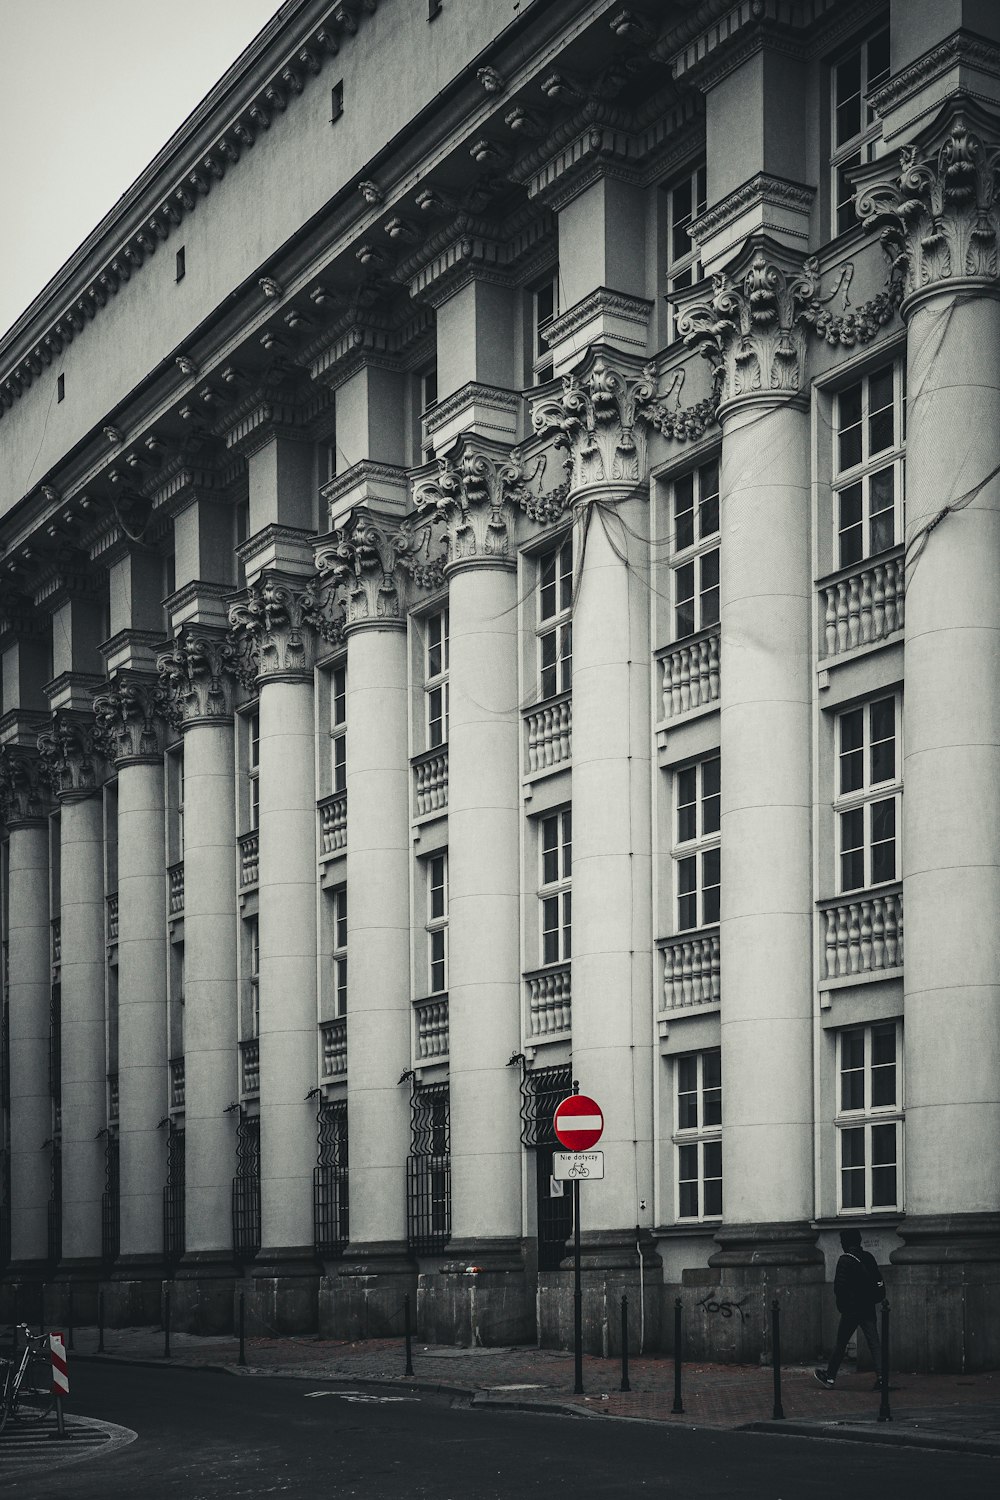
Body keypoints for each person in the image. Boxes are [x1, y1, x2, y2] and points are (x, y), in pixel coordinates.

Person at [814, 1227, 886, 1388]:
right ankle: (882, 1377)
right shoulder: (868, 1257)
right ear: (859, 1242)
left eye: (842, 1242)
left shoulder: (844, 1260)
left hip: (852, 1310)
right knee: (874, 1342)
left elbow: (839, 1288)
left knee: (841, 1344)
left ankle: (830, 1378)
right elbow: (877, 1281)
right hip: (868, 1307)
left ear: (845, 1243)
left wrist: (844, 1306)